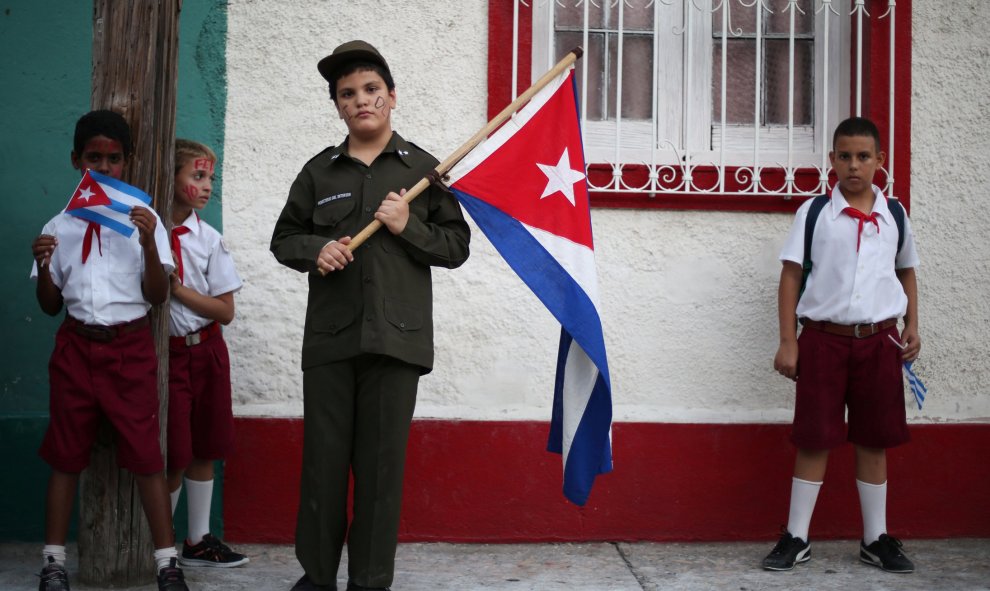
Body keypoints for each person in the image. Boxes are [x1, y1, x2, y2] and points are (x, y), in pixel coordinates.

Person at [270, 40, 471, 591]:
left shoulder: (425, 171)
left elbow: (457, 247)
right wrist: (318, 250)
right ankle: (316, 576)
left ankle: (370, 581)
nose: (361, 100)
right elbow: (283, 239)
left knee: (382, 473)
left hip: (396, 342)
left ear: (391, 97)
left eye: (371, 90)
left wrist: (410, 225)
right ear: (337, 106)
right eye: (347, 94)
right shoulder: (319, 172)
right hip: (331, 339)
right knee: (324, 467)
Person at [29, 110, 190, 590]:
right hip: (77, 346)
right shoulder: (59, 225)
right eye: (93, 158)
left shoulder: (146, 219)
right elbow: (50, 305)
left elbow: (158, 295)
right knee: (65, 454)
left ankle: (167, 563)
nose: (103, 167)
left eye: (113, 159)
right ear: (77, 160)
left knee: (146, 457)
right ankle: (53, 562)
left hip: (130, 347)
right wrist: (43, 261)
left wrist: (144, 242)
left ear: (128, 162)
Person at [764, 116, 921, 574]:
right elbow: (791, 275)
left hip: (879, 342)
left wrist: (913, 323)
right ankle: (797, 537)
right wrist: (788, 341)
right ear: (832, 160)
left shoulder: (894, 214)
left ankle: (875, 539)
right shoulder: (815, 213)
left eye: (864, 157)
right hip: (823, 342)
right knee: (814, 439)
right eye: (845, 156)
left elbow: (906, 270)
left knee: (874, 439)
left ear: (880, 161)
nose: (854, 166)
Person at [165, 139, 248, 569]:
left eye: (210, 177)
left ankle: (196, 540)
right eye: (197, 176)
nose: (206, 185)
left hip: (208, 350)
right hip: (168, 359)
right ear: (170, 177)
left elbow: (225, 311)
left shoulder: (208, 240)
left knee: (205, 446)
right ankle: (157, 546)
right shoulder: (147, 237)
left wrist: (179, 290)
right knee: (173, 452)